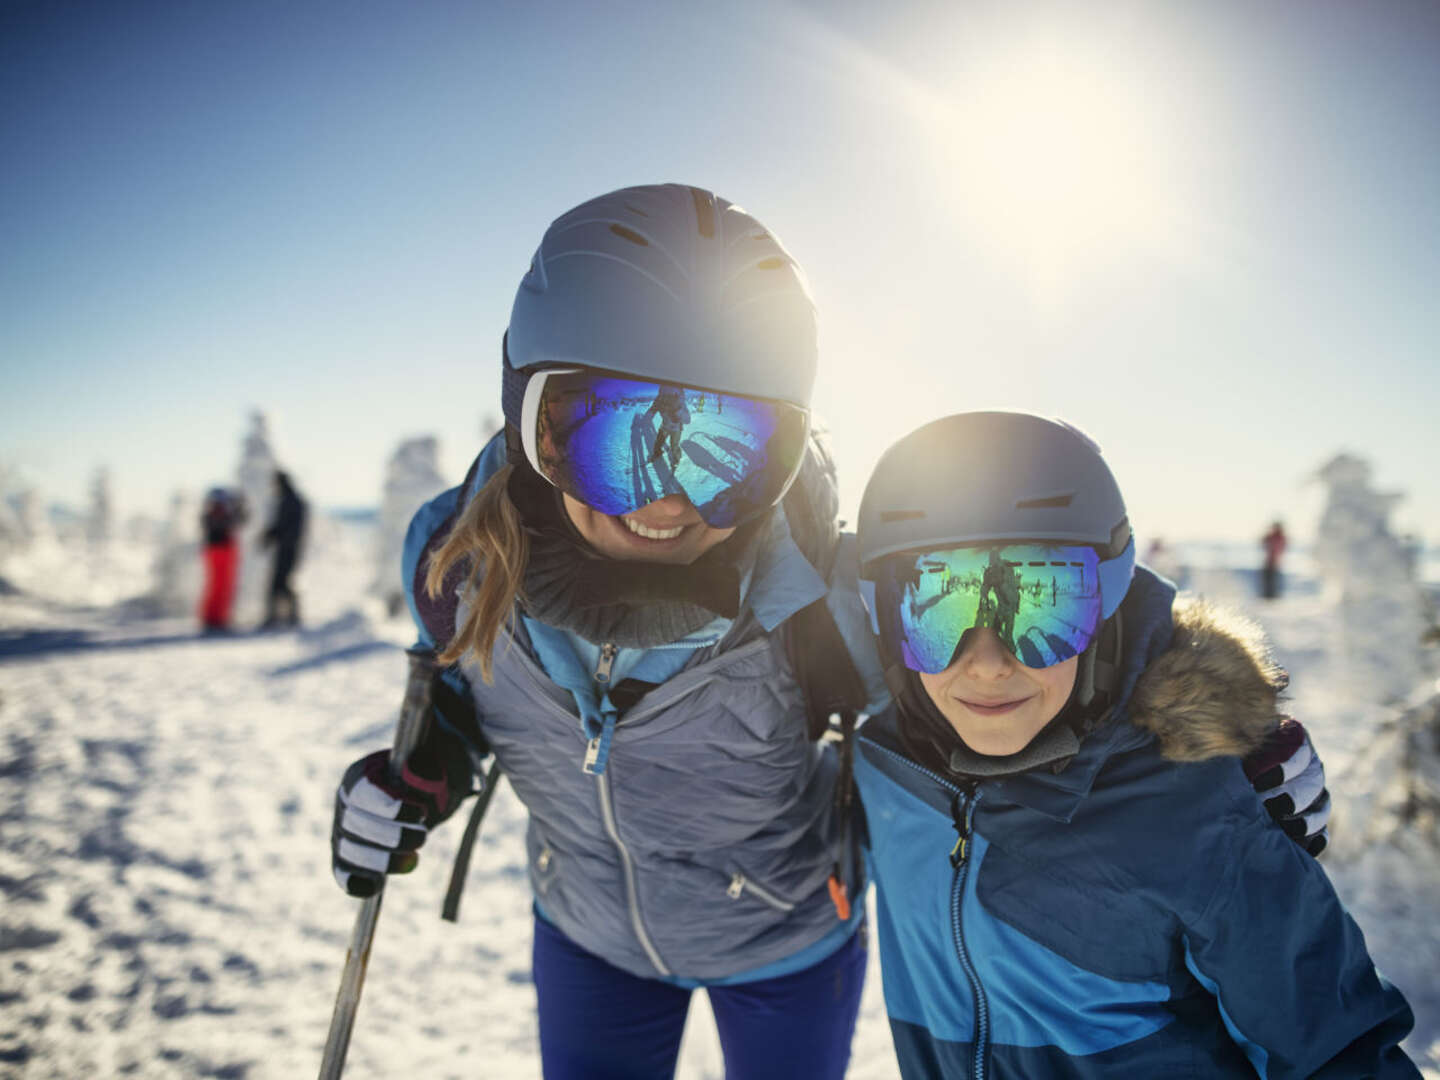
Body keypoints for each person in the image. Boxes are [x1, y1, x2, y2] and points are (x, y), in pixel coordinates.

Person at [327, 186, 1332, 1080]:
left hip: (789, 944)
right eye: (618, 437)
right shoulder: (459, 565)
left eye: (729, 449)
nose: (670, 503)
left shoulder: (826, 599)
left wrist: (1207, 716)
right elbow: (462, 692)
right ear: (528, 417)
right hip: (589, 938)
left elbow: (1041, 627)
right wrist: (423, 774)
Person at [852, 411, 1416, 1078]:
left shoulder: (1200, 819)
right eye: (936, 605)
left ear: (1107, 607)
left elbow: (1336, 1051)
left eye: (1040, 602)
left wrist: (1221, 732)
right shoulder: (882, 762)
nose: (988, 662)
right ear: (883, 617)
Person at [260, 469, 307, 628]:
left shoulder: (291, 501)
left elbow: (287, 526)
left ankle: (282, 616)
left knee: (280, 582)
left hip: (288, 548)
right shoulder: (290, 499)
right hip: (288, 547)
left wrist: (273, 535)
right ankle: (287, 615)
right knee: (282, 582)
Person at [198, 487, 246, 631]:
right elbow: (235, 522)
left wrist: (239, 507)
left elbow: (240, 520)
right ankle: (214, 618)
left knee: (221, 586)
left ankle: (217, 618)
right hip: (220, 551)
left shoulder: (213, 514)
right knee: (219, 586)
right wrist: (237, 509)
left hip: (221, 551)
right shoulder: (214, 515)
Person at [1261, 519, 1287, 600]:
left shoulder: (1279, 537)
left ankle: (1271, 595)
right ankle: (1268, 595)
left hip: (1274, 561)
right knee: (1268, 579)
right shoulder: (1274, 536)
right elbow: (1263, 541)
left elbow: (1265, 541)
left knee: (1272, 579)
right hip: (1270, 561)